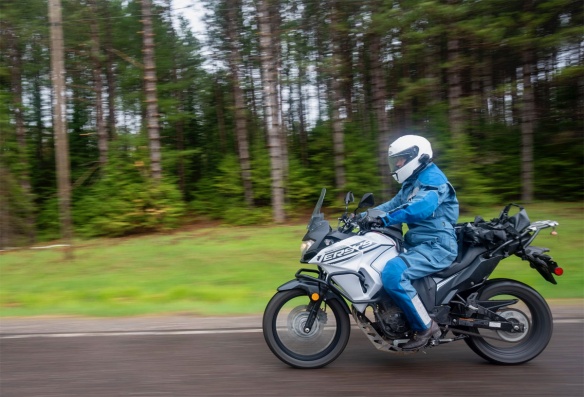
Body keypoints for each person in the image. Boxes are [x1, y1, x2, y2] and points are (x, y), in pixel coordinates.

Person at [373, 135, 459, 350]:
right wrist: (362, 216)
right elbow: (392, 204)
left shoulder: (433, 180)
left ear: (417, 156)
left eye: (401, 159)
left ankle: (426, 326)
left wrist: (384, 218)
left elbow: (420, 208)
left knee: (394, 272)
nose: (398, 164)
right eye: (397, 160)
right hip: (419, 244)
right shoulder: (412, 183)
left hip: (437, 246)